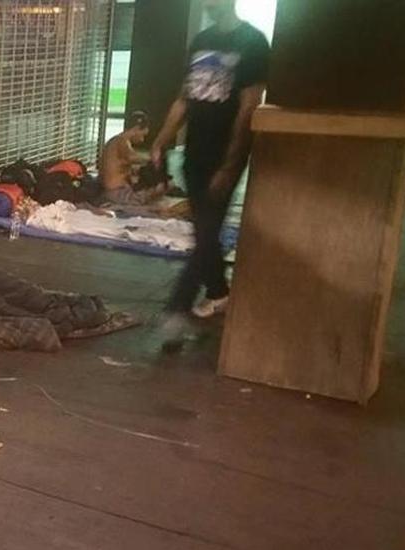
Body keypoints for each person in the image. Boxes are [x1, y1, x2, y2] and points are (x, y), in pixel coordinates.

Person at [150, 0, 269, 351]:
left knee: (205, 232)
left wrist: (231, 165)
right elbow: (185, 99)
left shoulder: (253, 42)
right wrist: (162, 139)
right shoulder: (201, 40)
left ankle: (176, 308)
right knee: (203, 226)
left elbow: (249, 107)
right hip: (195, 154)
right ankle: (218, 292)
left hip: (224, 156)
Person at [99, 111, 168, 206]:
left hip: (116, 190)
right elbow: (131, 157)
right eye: (143, 135)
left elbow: (123, 164)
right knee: (160, 190)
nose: (142, 140)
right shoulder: (121, 141)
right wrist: (154, 158)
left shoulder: (115, 141)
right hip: (116, 192)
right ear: (136, 129)